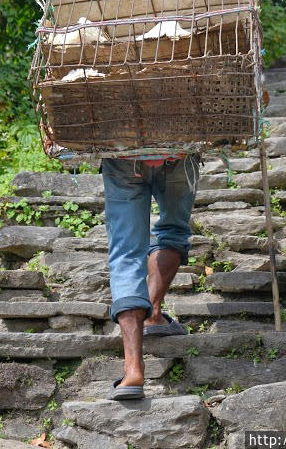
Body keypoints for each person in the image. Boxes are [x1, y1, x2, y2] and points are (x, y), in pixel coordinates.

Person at [101, 152, 200, 400]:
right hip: (177, 151)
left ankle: (133, 368)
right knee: (173, 231)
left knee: (125, 253)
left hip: (122, 153)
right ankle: (153, 314)